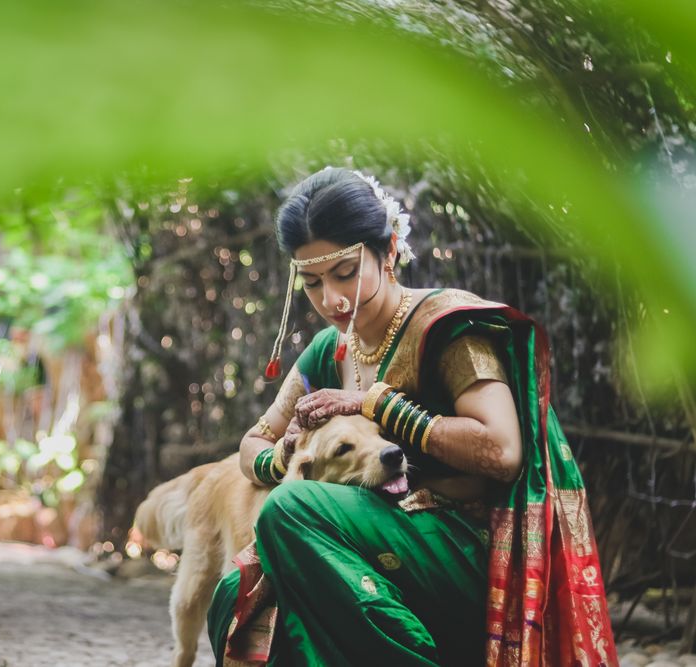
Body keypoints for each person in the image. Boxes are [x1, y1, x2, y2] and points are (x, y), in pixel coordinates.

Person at [206, 167, 617, 666]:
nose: (331, 299)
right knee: (234, 593)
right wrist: (284, 453)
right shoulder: (328, 352)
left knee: (290, 510)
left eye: (346, 273)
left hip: (464, 553)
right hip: (360, 551)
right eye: (312, 283)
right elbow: (253, 443)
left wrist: (373, 404)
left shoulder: (446, 330)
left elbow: (503, 451)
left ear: (390, 250)